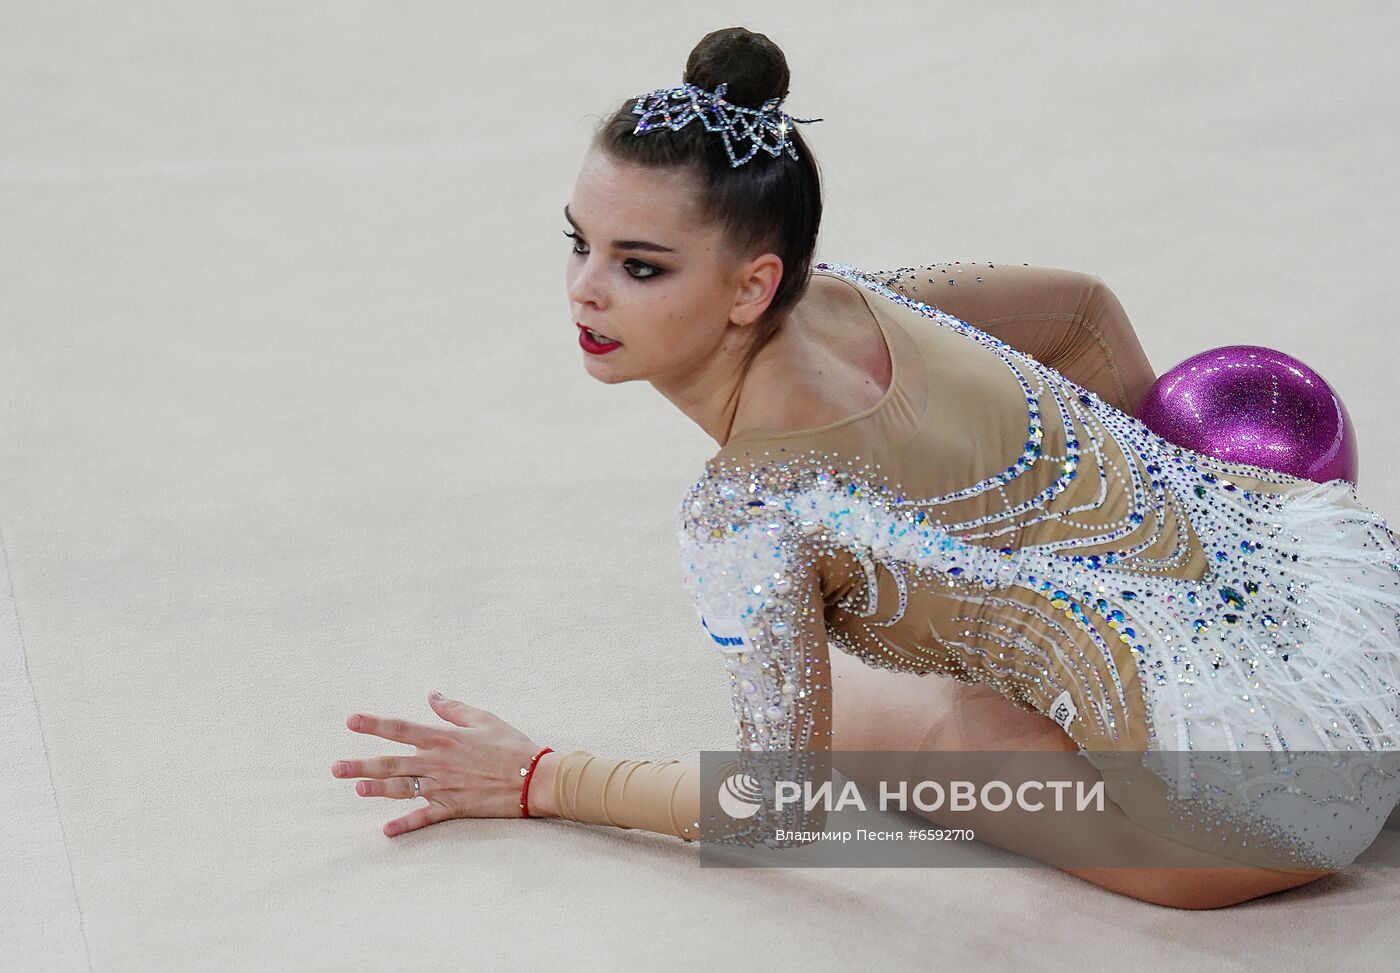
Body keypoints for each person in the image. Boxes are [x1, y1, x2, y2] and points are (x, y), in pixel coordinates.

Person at [330, 27, 1400, 909]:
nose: (585, 291)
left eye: (640, 265)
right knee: (959, 648)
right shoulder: (862, 296)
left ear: (750, 287)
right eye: (579, 243)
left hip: (1252, 819)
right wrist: (1137, 547)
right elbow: (1082, 310)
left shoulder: (747, 506)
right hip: (1363, 619)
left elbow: (775, 804)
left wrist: (537, 777)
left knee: (875, 715)